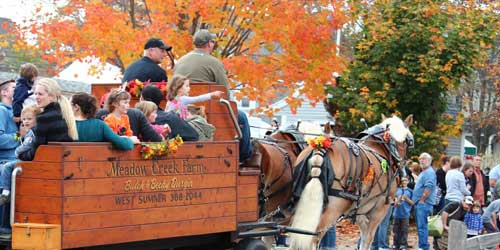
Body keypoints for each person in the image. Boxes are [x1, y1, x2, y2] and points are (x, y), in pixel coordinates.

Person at [173, 29, 253, 162]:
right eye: (212, 42)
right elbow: (224, 92)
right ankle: (244, 157)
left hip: (182, 109)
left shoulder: (180, 62)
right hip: (209, 111)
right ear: (209, 44)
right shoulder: (214, 63)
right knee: (242, 117)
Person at [18, 78, 78, 161]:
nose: (36, 97)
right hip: (62, 163)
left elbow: (36, 151)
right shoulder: (64, 113)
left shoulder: (44, 118)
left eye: (40, 94)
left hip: (48, 165)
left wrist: (20, 155)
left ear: (51, 96)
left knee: (7, 166)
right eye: (35, 94)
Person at [0, 104, 41, 205]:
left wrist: (18, 148)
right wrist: (18, 135)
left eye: (29, 119)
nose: (25, 121)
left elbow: (22, 140)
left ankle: (6, 193)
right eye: (24, 119)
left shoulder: (34, 131)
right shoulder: (3, 111)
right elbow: (17, 137)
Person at [71, 92, 138, 149]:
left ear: (76, 107)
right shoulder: (100, 125)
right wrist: (130, 140)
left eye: (69, 104)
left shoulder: (66, 125)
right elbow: (125, 144)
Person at [412, 152, 437, 250]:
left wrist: (422, 199)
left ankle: (424, 247)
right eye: (420, 159)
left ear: (429, 161)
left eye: (424, 159)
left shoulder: (429, 172)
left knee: (422, 227)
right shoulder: (424, 172)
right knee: (421, 226)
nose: (421, 161)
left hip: (424, 204)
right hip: (421, 203)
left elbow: (429, 187)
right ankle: (422, 245)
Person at [0, 80, 19, 163]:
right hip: (6, 161)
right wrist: (19, 135)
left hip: (16, 159)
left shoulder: (15, 112)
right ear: (4, 92)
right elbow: (1, 139)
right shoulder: (1, 110)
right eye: (14, 88)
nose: (19, 90)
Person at [393, 177, 414, 250]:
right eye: (402, 181)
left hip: (405, 214)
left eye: (405, 180)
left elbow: (413, 203)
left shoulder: (410, 191)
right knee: (395, 231)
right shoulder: (397, 190)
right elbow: (394, 203)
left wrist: (406, 199)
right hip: (396, 213)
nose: (404, 182)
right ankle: (395, 244)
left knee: (404, 230)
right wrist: (397, 200)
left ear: (408, 181)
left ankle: (403, 245)